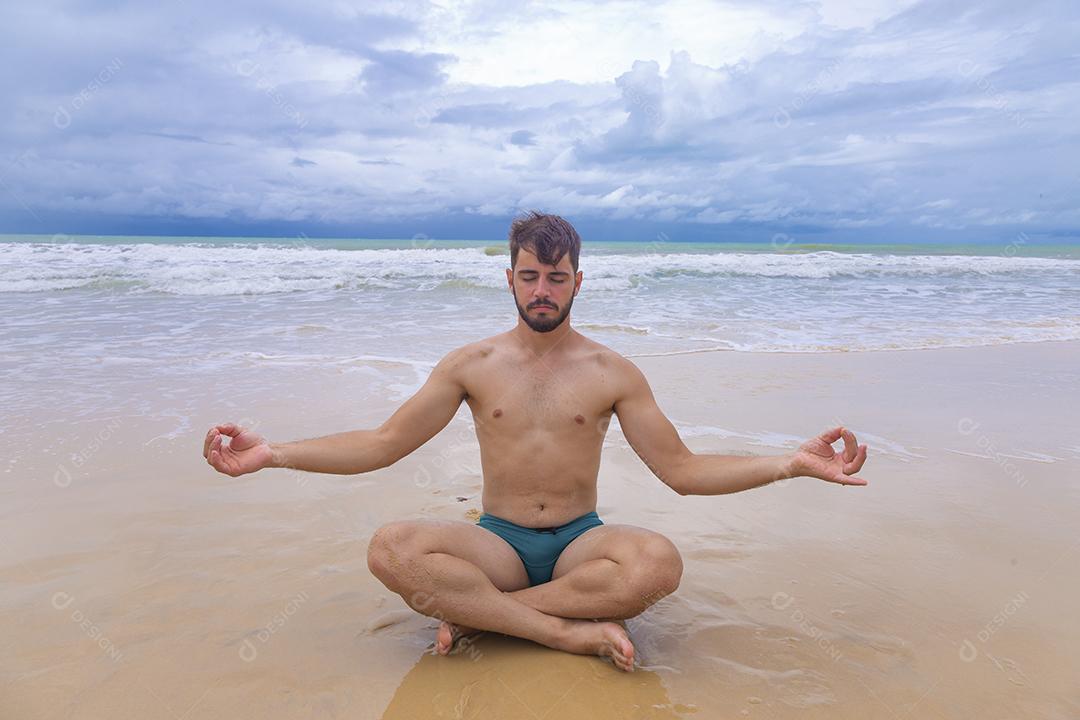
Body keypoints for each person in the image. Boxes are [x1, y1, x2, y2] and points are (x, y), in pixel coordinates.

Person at [203, 211, 869, 672]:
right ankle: (558, 631)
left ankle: (482, 619)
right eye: (530, 276)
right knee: (392, 549)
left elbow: (683, 470)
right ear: (510, 278)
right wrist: (273, 454)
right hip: (497, 542)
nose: (543, 290)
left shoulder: (613, 372)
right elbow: (383, 443)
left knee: (657, 564)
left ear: (578, 280)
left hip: (582, 543)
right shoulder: (472, 365)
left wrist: (791, 463)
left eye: (557, 277)